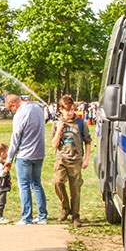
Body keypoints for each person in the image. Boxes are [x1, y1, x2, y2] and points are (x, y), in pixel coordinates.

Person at [4, 94, 48, 225]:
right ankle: (42, 216)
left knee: (24, 185)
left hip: (24, 155)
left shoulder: (20, 114)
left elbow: (16, 137)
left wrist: (9, 158)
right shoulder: (37, 108)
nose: (12, 112)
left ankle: (26, 217)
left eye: (10, 109)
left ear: (14, 104)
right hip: (39, 153)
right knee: (37, 184)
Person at [51, 95, 92, 227]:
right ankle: (65, 207)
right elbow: (54, 144)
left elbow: (88, 141)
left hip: (76, 160)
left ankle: (75, 215)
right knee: (57, 182)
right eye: (67, 110)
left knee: (75, 188)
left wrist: (86, 159)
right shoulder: (57, 123)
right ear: (61, 110)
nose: (70, 113)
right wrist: (59, 130)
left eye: (72, 110)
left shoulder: (80, 123)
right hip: (61, 158)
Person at [0, 142, 12, 224]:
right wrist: (6, 169)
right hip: (0, 186)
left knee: (3, 201)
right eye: (7, 152)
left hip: (3, 185)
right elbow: (2, 174)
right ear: (2, 153)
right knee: (1, 201)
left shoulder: (1, 163)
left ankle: (0, 216)